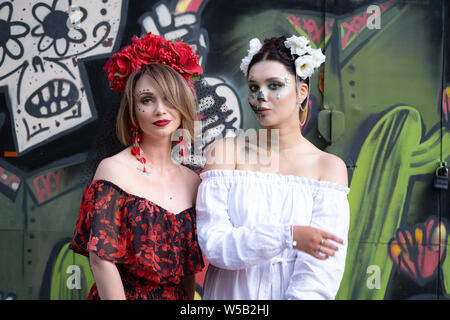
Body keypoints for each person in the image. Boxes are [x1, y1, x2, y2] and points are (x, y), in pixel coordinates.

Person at [196, 35, 350, 300]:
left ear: (302, 92)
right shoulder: (226, 153)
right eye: (254, 87)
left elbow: (320, 274)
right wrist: (287, 236)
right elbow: (215, 246)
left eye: (274, 85)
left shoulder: (328, 168)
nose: (260, 96)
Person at [69, 32, 204, 300]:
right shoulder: (114, 171)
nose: (160, 110)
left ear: (183, 104)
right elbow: (101, 261)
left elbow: (188, 273)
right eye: (146, 100)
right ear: (132, 110)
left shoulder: (193, 181)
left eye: (168, 98)